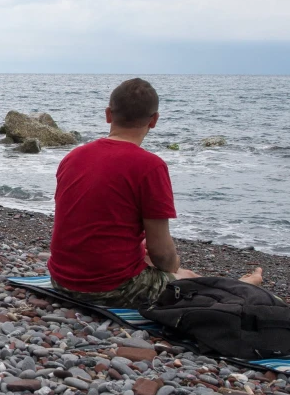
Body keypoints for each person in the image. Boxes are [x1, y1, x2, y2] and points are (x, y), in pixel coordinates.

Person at [48, 77, 263, 308]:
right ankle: (242, 287)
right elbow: (161, 252)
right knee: (186, 278)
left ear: (108, 114)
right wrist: (173, 266)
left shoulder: (73, 157)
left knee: (162, 264)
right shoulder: (149, 166)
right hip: (110, 288)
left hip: (61, 280)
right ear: (154, 120)